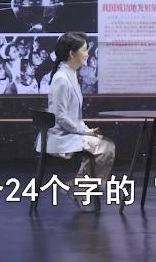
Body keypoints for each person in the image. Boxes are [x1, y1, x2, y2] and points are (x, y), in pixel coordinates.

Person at [36, 32, 116, 212]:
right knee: (105, 147)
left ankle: (78, 187)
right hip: (60, 137)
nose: (87, 54)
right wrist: (84, 131)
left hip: (68, 132)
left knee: (106, 145)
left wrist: (86, 130)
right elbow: (60, 117)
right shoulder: (62, 78)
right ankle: (79, 189)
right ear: (72, 54)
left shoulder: (70, 74)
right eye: (84, 50)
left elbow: (73, 117)